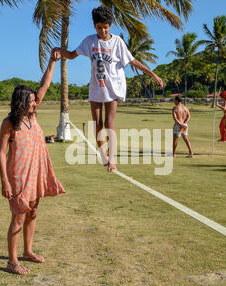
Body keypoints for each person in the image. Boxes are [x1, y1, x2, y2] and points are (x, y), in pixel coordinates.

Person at [54, 6, 164, 172]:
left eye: (105, 27)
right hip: (96, 88)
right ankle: (103, 154)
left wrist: (153, 74)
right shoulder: (89, 41)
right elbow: (71, 55)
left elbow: (133, 61)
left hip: (113, 88)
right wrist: (59, 50)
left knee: (109, 123)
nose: (103, 31)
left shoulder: (117, 42)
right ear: (94, 26)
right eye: (99, 27)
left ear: (110, 25)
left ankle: (112, 159)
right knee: (97, 123)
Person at [0, 49, 66, 275]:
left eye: (36, 101)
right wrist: (5, 182)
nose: (35, 104)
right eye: (31, 102)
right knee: (18, 217)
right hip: (18, 176)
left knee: (33, 212)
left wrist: (52, 62)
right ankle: (12, 262)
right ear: (21, 103)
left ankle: (27, 251)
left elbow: (44, 85)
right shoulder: (9, 123)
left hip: (36, 172)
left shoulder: (33, 116)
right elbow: (0, 154)